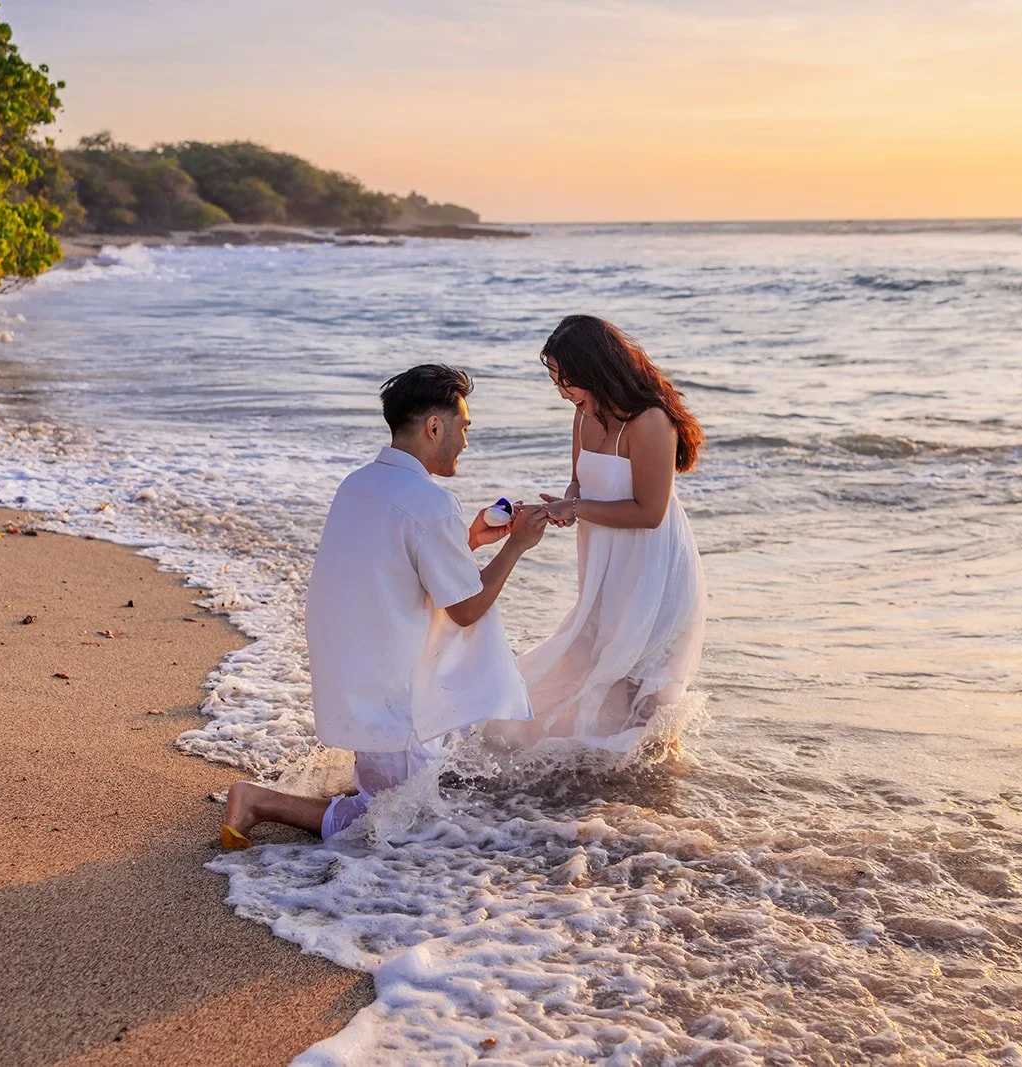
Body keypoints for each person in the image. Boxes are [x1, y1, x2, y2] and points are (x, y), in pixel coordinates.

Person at [220, 364, 548, 847]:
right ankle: (258, 801)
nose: (465, 441)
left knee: (410, 797)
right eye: (463, 427)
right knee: (402, 826)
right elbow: (465, 610)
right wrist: (516, 546)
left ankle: (368, 785)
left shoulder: (357, 484)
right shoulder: (431, 503)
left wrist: (472, 540)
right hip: (395, 698)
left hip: (356, 679)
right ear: (434, 427)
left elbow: (398, 569)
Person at [489, 315, 707, 753]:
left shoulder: (650, 421)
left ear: (595, 368)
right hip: (605, 567)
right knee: (597, 662)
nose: (561, 391)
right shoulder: (583, 415)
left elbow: (650, 512)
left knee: (648, 692)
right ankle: (606, 770)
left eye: (565, 379)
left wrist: (574, 508)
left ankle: (664, 783)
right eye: (555, 380)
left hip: (655, 568)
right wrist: (563, 507)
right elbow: (580, 482)